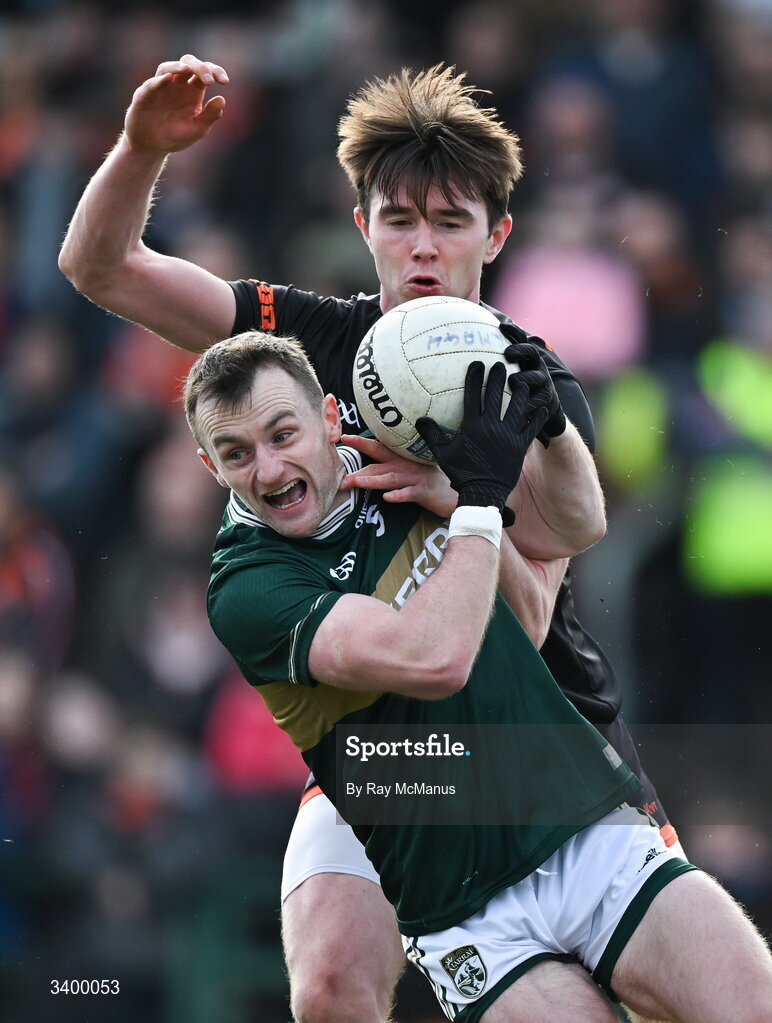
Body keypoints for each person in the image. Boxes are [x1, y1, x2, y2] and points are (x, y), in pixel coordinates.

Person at [59, 57, 676, 1021]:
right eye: (398, 219)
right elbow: (100, 270)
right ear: (364, 230)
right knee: (333, 981)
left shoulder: (527, 389)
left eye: (449, 221)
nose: (422, 248)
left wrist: (451, 494)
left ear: (496, 235)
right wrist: (141, 149)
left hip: (540, 737)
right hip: (389, 739)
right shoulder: (306, 348)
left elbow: (518, 616)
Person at [181, 327, 772, 1023]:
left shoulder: (406, 438)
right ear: (210, 466)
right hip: (467, 910)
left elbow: (554, 569)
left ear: (330, 417)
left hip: (586, 829)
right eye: (236, 454)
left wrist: (549, 430)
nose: (270, 469)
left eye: (283, 434)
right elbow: (437, 658)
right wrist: (477, 503)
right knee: (328, 987)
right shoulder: (247, 586)